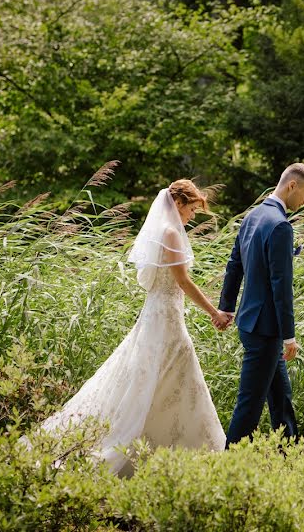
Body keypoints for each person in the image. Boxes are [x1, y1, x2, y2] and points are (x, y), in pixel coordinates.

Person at [39, 180, 231, 474]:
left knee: (150, 378)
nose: (192, 216)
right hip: (166, 316)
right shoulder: (170, 234)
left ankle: (170, 451)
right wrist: (213, 312)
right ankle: (196, 455)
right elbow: (182, 281)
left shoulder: (161, 232)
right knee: (172, 372)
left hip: (158, 311)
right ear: (178, 203)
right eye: (191, 209)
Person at [219, 163, 304, 446]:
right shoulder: (280, 225)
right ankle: (229, 468)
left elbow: (234, 264)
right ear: (292, 186)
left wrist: (226, 307)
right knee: (249, 404)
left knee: (281, 398)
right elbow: (281, 288)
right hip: (266, 329)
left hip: (251, 322)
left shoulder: (253, 216)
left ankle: (291, 457)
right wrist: (290, 336)